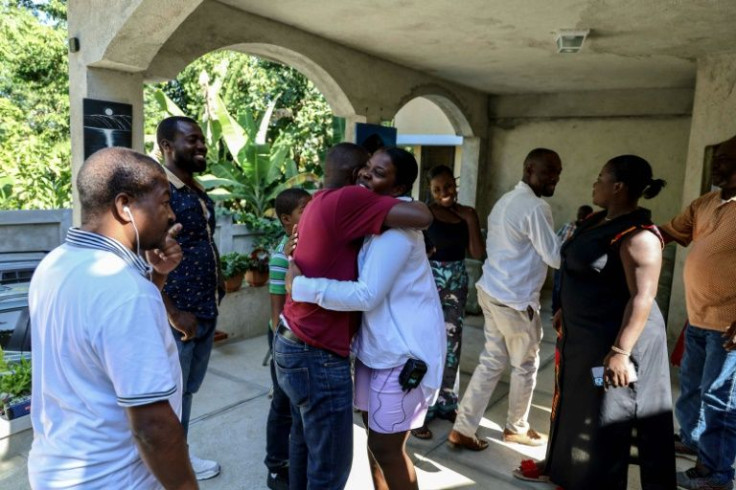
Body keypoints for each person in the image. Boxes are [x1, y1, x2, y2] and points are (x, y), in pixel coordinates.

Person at [27, 147, 197, 489]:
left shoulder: (55, 264)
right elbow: (153, 428)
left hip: (55, 470)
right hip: (113, 480)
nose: (170, 214)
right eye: (163, 202)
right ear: (124, 206)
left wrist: (157, 278)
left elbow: (96, 347)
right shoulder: (126, 291)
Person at [273, 142, 433, 489]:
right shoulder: (350, 200)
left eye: (377, 171)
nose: (367, 174)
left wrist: (298, 283)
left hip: (309, 343)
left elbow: (420, 220)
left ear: (400, 186)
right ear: (352, 172)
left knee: (312, 446)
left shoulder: (321, 200)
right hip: (316, 350)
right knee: (330, 466)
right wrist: (298, 284)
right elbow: (422, 216)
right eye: (367, 167)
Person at [536, 155, 675, 489]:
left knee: (606, 411)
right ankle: (570, 472)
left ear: (618, 186)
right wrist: (565, 310)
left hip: (613, 346)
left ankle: (598, 481)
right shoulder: (598, 220)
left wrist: (620, 352)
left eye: (600, 178)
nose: (594, 183)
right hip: (584, 338)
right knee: (581, 402)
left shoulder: (640, 236)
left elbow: (642, 297)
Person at [448, 148, 562, 450]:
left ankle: (463, 428)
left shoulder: (505, 201)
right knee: (525, 365)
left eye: (558, 173)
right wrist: (570, 236)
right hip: (514, 300)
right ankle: (516, 428)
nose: (555, 178)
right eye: (549, 171)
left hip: (491, 291)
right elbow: (555, 257)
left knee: (492, 361)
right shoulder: (536, 207)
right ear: (529, 169)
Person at [662, 135, 736, 490]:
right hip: (698, 317)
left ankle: (717, 473)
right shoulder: (706, 202)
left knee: (719, 399)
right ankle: (690, 438)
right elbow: (671, 232)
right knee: (691, 386)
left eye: (722, 158)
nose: (715, 164)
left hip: (728, 326)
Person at [157, 116, 221, 480]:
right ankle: (169, 469)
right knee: (170, 395)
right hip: (180, 314)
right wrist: (172, 313)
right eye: (191, 140)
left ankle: (177, 456)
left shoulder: (192, 188)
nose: (201, 146)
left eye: (202, 140)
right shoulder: (158, 190)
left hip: (203, 308)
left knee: (186, 393)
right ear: (167, 146)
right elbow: (144, 255)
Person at [411, 164, 484, 440]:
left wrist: (470, 218)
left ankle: (446, 402)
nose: (445, 193)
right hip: (429, 284)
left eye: (448, 187)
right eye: (438, 189)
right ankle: (418, 412)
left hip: (457, 282)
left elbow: (477, 252)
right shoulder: (424, 214)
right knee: (426, 347)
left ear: (456, 184)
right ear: (430, 190)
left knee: (452, 344)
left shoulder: (466, 214)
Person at [265, 188, 311, 490]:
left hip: (295, 339)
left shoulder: (306, 248)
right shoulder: (282, 257)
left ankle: (294, 463)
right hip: (284, 338)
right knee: (282, 405)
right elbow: (276, 311)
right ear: (286, 220)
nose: (312, 215)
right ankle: (276, 465)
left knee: (295, 408)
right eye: (304, 210)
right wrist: (280, 348)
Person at [551, 204, 593, 313]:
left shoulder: (591, 230)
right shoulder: (568, 226)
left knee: (574, 289)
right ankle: (555, 311)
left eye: (586, 214)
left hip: (579, 265)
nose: (582, 216)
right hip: (563, 262)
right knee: (558, 287)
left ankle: (569, 313)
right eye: (580, 213)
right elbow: (555, 240)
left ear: (591, 216)